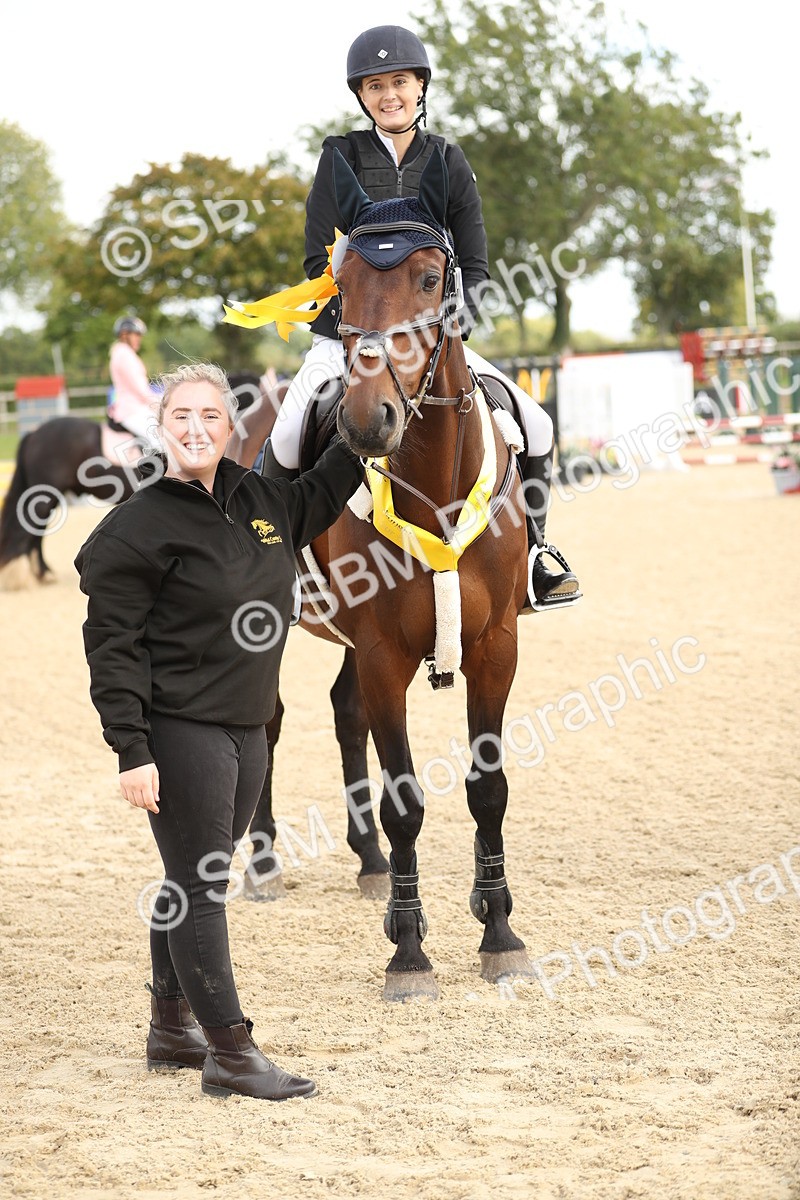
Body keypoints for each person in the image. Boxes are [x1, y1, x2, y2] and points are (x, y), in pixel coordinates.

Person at [75, 362, 364, 1101]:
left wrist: (364, 425)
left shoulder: (262, 498)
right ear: (161, 427)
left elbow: (325, 491)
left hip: (249, 728)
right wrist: (132, 751)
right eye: (182, 417)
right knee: (205, 885)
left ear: (230, 424)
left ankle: (171, 1026)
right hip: (181, 731)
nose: (197, 428)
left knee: (189, 876)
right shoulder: (135, 528)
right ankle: (231, 1053)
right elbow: (111, 649)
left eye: (210, 415)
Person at [266, 24, 580, 611]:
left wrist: (454, 323)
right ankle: (271, 562)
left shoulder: (448, 159)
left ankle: (538, 552)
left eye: (400, 83)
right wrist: (357, 326)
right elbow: (317, 258)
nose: (390, 95)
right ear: (362, 96)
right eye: (376, 85)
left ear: (420, 87)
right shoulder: (340, 155)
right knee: (287, 432)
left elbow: (478, 264)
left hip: (433, 339)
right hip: (350, 334)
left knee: (534, 422)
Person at [108, 316, 159, 445]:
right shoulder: (125, 355)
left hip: (135, 407)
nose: (138, 339)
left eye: (139, 335)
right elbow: (141, 390)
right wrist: (161, 404)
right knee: (161, 441)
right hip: (132, 409)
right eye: (136, 335)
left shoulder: (121, 353)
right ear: (124, 335)